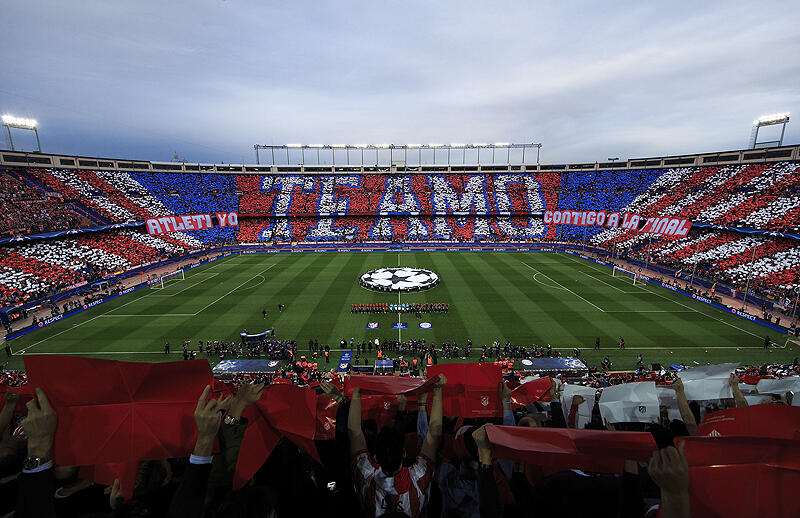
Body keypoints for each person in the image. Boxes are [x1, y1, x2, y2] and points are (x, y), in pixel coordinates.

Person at [348, 374, 446, 517]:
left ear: (376, 456)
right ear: (404, 453)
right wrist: (437, 392)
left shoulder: (366, 475)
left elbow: (354, 431)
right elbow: (434, 434)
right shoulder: (418, 477)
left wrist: (357, 390)